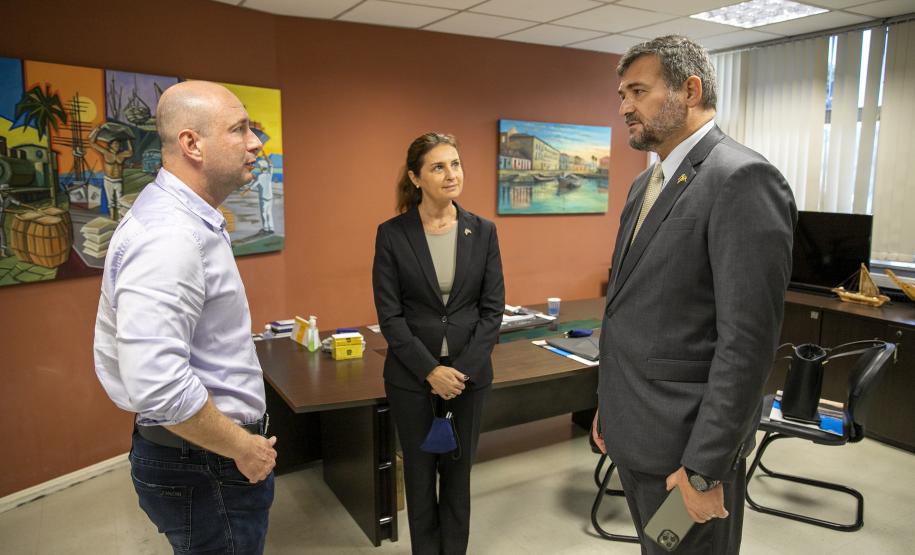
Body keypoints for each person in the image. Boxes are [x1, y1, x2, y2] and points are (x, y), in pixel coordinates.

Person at [591, 36, 796, 554]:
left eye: (638, 91)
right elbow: (631, 312)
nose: (624, 107)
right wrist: (609, 407)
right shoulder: (646, 185)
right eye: (621, 94)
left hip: (688, 453)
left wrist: (705, 469)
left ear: (691, 89)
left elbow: (746, 345)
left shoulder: (741, 178)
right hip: (636, 431)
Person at [93, 81, 278, 554]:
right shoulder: (171, 237)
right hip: (208, 462)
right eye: (240, 129)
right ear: (192, 144)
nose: (257, 142)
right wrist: (243, 446)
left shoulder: (184, 220)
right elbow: (158, 383)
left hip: (200, 454)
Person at [372, 132, 505, 555]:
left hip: (468, 378)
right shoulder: (392, 234)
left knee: (457, 476)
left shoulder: (482, 232)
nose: (452, 174)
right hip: (412, 379)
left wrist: (458, 371)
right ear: (416, 177)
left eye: (456, 164)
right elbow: (389, 316)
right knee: (419, 477)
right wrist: (431, 370)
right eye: (438, 167)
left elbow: (492, 310)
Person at [89, 126, 133, 220]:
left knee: (120, 201)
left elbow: (130, 152)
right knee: (111, 202)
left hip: (118, 180)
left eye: (118, 144)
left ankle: (120, 219)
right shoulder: (106, 153)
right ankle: (112, 219)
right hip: (108, 180)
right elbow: (92, 143)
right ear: (110, 145)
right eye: (115, 144)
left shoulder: (122, 155)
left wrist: (128, 140)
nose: (117, 146)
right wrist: (96, 131)